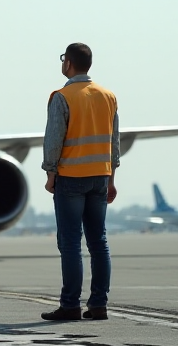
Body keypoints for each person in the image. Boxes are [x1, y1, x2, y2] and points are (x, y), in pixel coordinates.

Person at [40, 43, 119, 321]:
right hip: (100, 176)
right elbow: (114, 143)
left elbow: (53, 141)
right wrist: (111, 178)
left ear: (69, 64)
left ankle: (70, 305)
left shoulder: (62, 96)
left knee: (71, 243)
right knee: (99, 242)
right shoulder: (108, 96)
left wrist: (50, 173)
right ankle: (98, 305)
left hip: (71, 178)